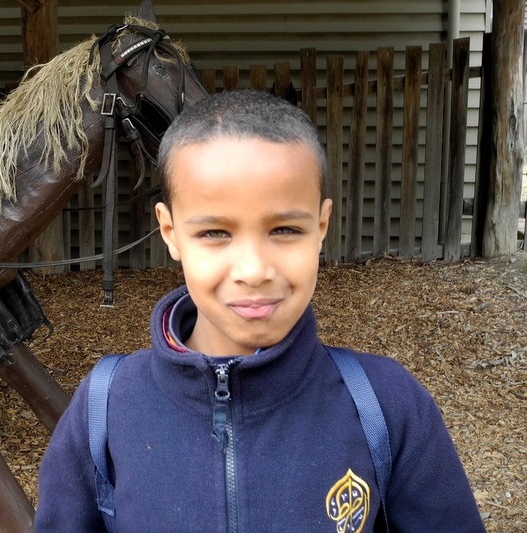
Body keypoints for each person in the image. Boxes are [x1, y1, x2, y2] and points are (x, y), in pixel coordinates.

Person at [34, 89, 485, 532]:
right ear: (170, 232)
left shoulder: (386, 407)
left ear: (321, 226)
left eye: (285, 229)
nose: (253, 270)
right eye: (214, 233)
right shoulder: (105, 408)